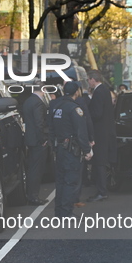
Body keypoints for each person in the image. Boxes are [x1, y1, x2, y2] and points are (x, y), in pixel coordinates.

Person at [48, 81, 93, 218]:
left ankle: (59, 211)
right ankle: (66, 212)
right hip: (71, 150)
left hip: (60, 148)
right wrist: (87, 150)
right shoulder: (74, 108)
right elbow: (81, 132)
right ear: (77, 92)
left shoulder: (56, 107)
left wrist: (54, 146)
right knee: (70, 181)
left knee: (61, 181)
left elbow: (51, 129)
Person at [87, 70, 117, 202]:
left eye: (88, 80)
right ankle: (101, 189)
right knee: (101, 162)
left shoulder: (98, 92)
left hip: (100, 132)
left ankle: (102, 191)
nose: (88, 82)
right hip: (106, 131)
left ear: (93, 79)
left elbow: (97, 113)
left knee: (99, 162)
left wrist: (87, 117)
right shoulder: (104, 90)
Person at [21, 81, 49, 206]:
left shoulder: (28, 101)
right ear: (43, 90)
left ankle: (30, 194)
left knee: (32, 168)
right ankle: (34, 196)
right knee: (37, 169)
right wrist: (43, 139)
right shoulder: (38, 103)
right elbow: (39, 123)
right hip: (38, 140)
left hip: (30, 139)